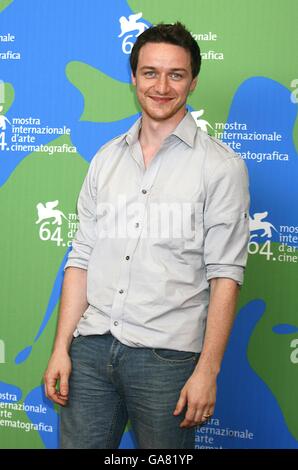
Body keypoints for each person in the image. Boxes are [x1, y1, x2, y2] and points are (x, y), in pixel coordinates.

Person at [44, 22, 250, 449]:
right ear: (134, 77)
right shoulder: (105, 160)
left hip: (168, 362)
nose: (161, 86)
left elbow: (225, 276)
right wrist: (62, 347)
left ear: (193, 82)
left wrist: (207, 371)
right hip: (91, 350)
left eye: (175, 74)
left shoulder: (221, 167)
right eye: (150, 72)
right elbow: (81, 257)